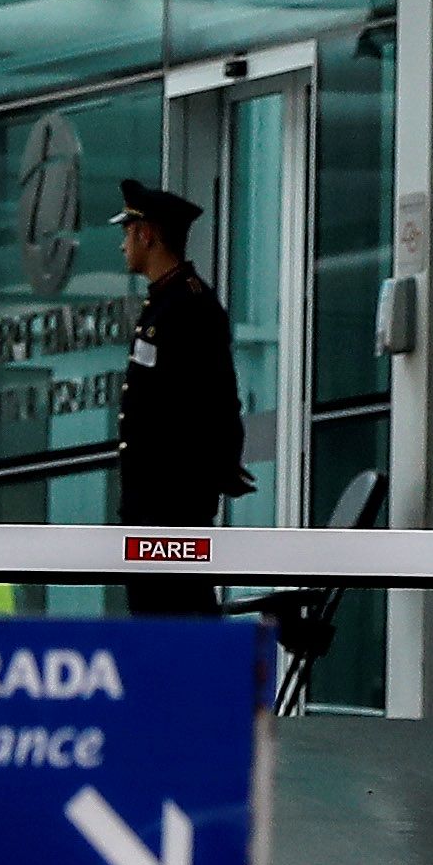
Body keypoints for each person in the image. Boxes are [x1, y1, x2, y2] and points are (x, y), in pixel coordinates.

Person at [114, 179, 249, 617]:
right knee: (156, 619)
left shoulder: (189, 308)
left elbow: (215, 400)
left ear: (146, 234)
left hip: (171, 503)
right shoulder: (163, 305)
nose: (122, 245)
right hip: (150, 501)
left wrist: (219, 467)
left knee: (177, 619)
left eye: (127, 232)